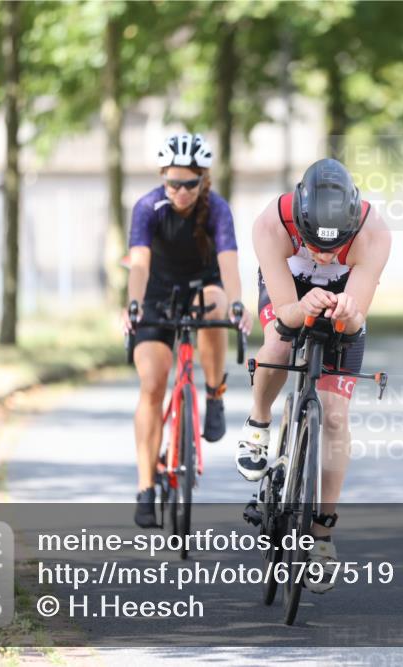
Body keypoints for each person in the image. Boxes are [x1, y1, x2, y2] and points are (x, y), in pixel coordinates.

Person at [238, 158, 391, 593]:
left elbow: (355, 322)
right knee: (279, 343)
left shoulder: (374, 233)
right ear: (299, 219)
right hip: (290, 289)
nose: (324, 254)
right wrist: (300, 310)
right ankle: (259, 422)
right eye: (313, 243)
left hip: (345, 298)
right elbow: (285, 314)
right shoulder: (272, 222)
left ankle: (322, 532)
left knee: (336, 415)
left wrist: (346, 315)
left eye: (334, 246)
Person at [122, 133, 252, 528]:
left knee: (214, 306)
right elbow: (140, 262)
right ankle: (146, 485)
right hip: (157, 295)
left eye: (189, 184)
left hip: (203, 286)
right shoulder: (148, 207)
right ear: (163, 178)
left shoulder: (216, 209)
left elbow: (229, 261)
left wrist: (236, 303)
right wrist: (133, 303)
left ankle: (214, 393)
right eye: (172, 183)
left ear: (203, 181)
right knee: (152, 384)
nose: (180, 192)